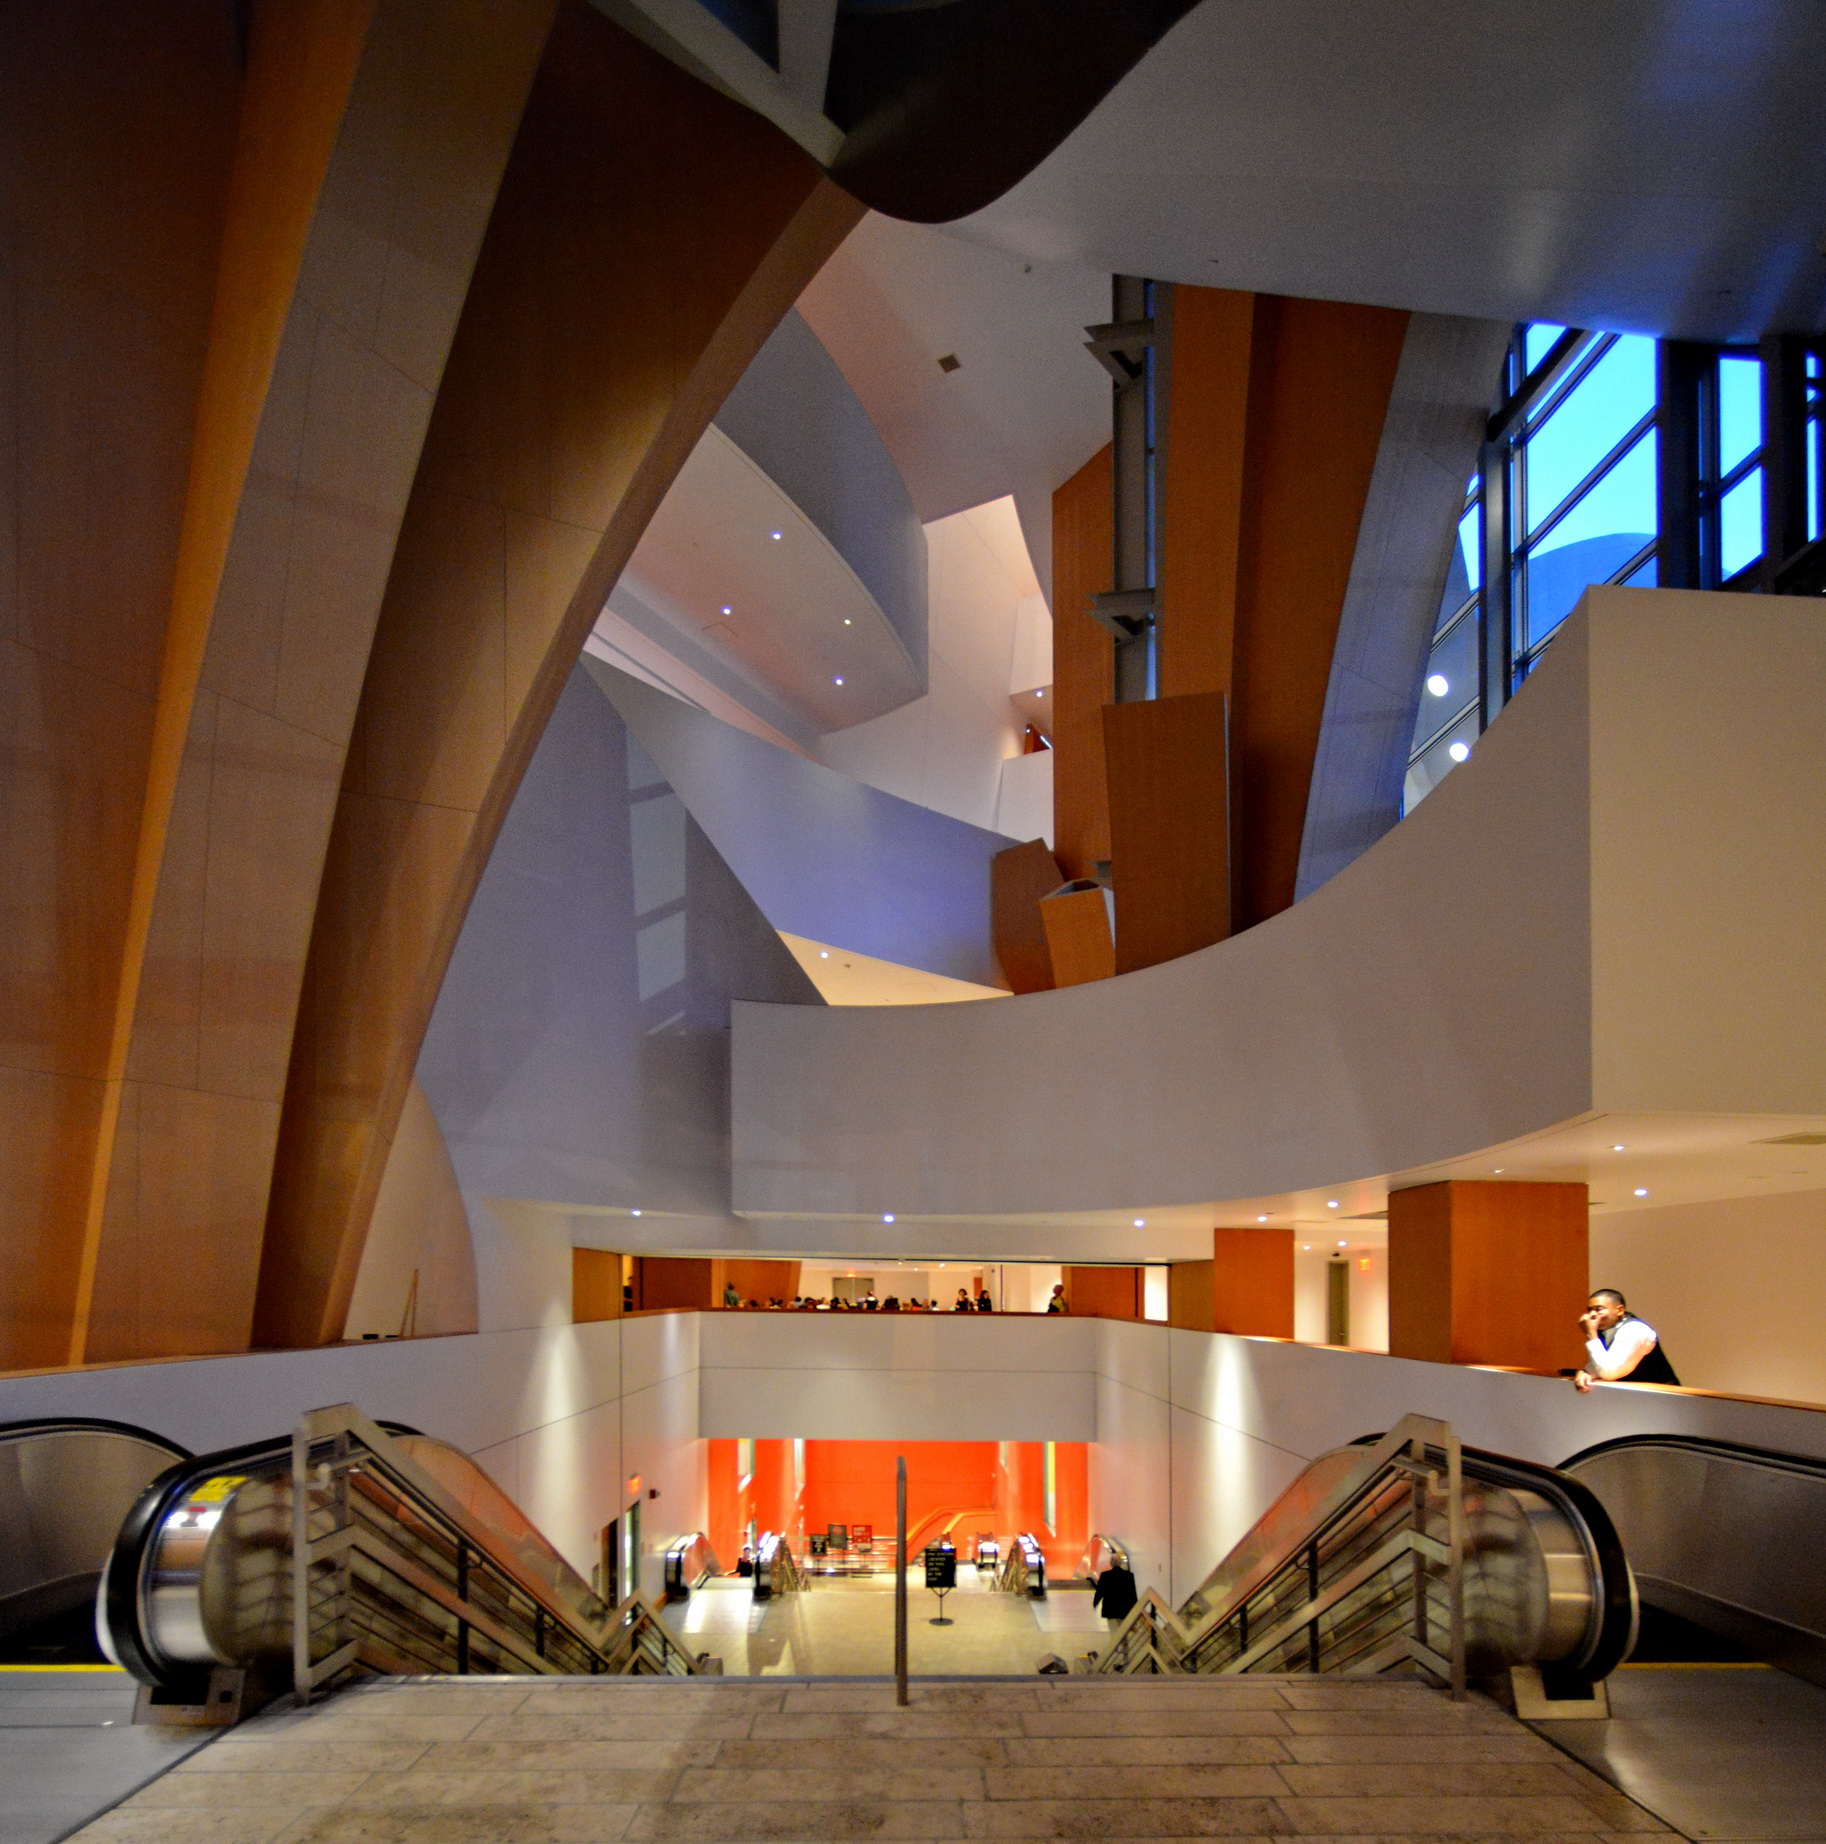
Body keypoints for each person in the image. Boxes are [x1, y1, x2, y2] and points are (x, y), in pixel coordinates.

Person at [1575, 1289, 1679, 1390]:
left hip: (1660, 1396)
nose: (1592, 1314)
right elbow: (1600, 1364)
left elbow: (1609, 1372)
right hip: (1632, 1396)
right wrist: (1586, 1372)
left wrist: (1591, 1335)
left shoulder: (1635, 1329)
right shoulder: (1603, 1331)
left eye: (1598, 1309)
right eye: (1590, 1310)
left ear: (1619, 1310)